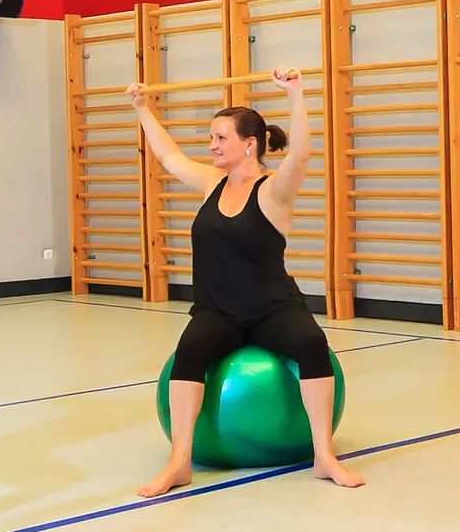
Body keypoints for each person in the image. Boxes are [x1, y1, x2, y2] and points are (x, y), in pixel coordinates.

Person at [131, 68, 364, 495]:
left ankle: (324, 457)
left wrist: (295, 94)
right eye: (211, 137)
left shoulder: (274, 191)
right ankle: (179, 463)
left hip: (272, 308)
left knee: (312, 345)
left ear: (249, 144)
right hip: (217, 311)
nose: (212, 145)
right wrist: (142, 108)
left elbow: (301, 156)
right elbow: (169, 157)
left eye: (221, 137)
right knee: (189, 353)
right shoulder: (211, 183)